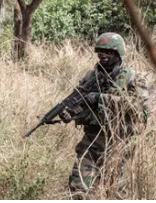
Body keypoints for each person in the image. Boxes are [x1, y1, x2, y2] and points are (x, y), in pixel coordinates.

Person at [59, 32, 149, 198]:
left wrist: (101, 98)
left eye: (107, 51)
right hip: (91, 142)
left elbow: (140, 111)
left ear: (117, 53)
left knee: (115, 193)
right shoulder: (90, 77)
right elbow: (80, 103)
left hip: (118, 143)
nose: (102, 55)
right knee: (79, 189)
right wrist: (71, 114)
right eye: (99, 51)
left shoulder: (133, 78)